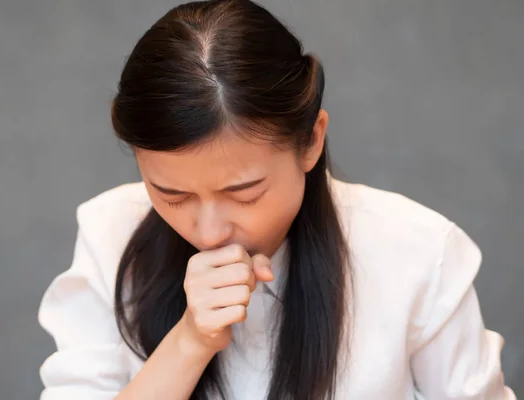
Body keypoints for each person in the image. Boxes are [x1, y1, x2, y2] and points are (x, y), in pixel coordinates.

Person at [37, 1, 516, 399]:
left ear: (311, 141)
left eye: (243, 193)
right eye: (171, 194)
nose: (208, 231)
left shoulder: (418, 253)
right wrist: (189, 342)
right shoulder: (110, 233)